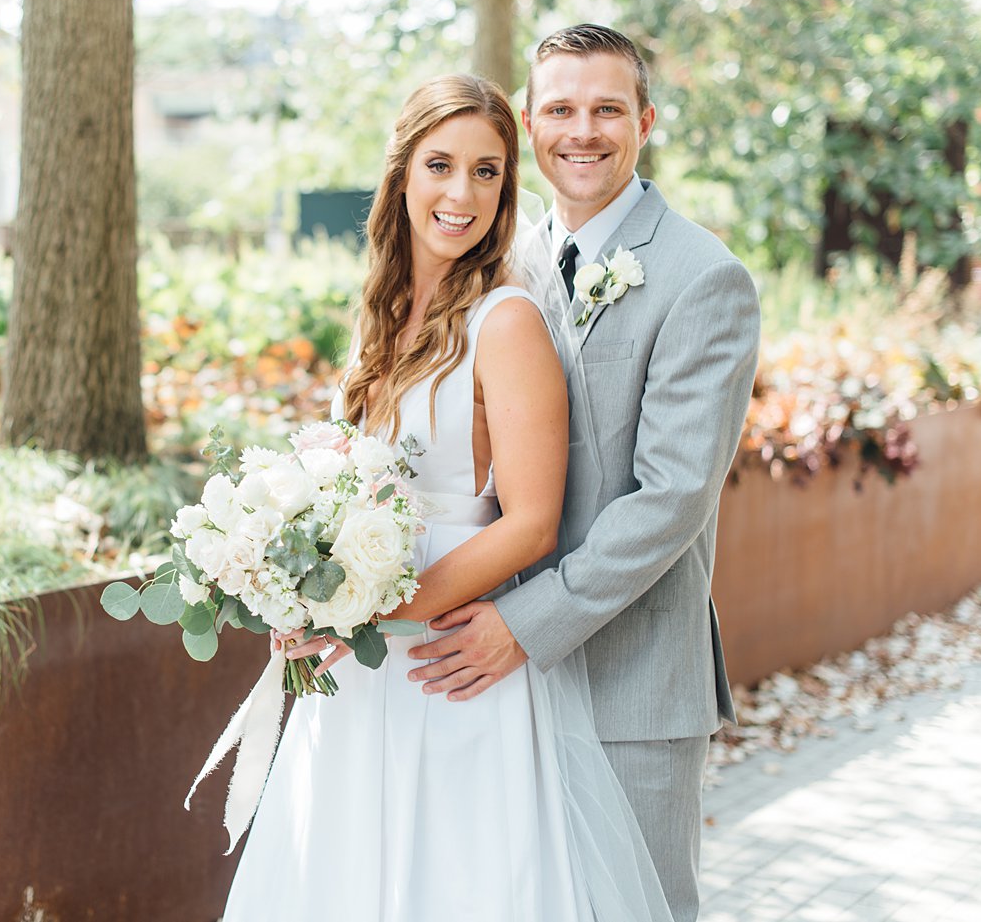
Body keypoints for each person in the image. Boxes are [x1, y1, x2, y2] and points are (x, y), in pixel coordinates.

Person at [222, 73, 675, 920]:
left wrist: (370, 617)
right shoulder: (378, 318)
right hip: (353, 677)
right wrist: (294, 584)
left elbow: (534, 522)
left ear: (507, 189)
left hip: (447, 664)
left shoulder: (506, 322)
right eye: (440, 165)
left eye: (488, 171)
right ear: (401, 175)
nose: (461, 193)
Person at [406, 25, 762, 922]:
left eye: (608, 108)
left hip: (626, 680)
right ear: (530, 123)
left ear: (643, 120)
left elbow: (672, 498)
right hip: (489, 683)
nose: (584, 130)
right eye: (561, 108)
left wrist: (523, 624)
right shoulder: (495, 259)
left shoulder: (703, 276)